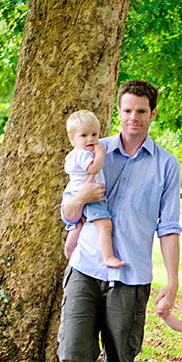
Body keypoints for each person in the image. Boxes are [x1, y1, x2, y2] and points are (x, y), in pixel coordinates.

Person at [56, 79, 182, 362]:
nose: (132, 117)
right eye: (126, 110)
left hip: (131, 275)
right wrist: (80, 200)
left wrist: (173, 280)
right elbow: (68, 210)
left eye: (141, 111)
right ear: (119, 111)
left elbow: (169, 226)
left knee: (118, 361)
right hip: (86, 266)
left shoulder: (166, 164)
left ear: (152, 114)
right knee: (70, 352)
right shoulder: (94, 148)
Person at [62, 110, 124, 268]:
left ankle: (70, 249)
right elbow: (94, 169)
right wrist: (100, 152)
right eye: (83, 136)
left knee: (80, 224)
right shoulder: (82, 155)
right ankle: (108, 257)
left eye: (95, 134)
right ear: (72, 139)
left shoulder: (74, 155)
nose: (90, 139)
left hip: (74, 193)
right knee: (105, 226)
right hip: (88, 196)